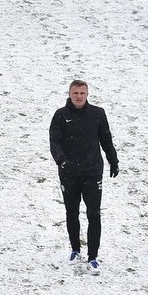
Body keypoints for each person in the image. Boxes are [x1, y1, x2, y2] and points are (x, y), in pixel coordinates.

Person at [49, 80, 119, 274]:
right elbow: (54, 141)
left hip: (92, 171)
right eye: (75, 93)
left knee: (94, 214)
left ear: (87, 94)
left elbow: (106, 139)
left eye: (82, 93)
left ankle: (93, 257)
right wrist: (61, 161)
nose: (79, 96)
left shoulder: (98, 114)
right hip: (69, 173)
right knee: (72, 213)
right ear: (69, 94)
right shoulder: (60, 116)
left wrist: (114, 161)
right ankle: (75, 250)